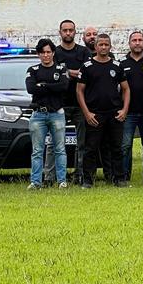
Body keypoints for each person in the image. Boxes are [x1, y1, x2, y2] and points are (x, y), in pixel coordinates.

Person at [77, 33, 130, 188]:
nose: (103, 47)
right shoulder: (87, 66)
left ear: (110, 46)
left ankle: (119, 179)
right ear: (95, 46)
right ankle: (88, 180)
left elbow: (126, 89)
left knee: (116, 148)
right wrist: (86, 113)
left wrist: (124, 110)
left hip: (114, 113)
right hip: (94, 114)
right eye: (101, 44)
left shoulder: (117, 66)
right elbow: (79, 91)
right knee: (91, 148)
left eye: (106, 44)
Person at [25, 38, 69, 190]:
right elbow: (31, 88)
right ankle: (36, 182)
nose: (46, 55)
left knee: (60, 149)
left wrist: (43, 85)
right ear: (38, 54)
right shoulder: (33, 70)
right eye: (43, 52)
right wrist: (52, 87)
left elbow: (64, 86)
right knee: (37, 151)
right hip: (38, 115)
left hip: (57, 113)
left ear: (53, 53)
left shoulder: (61, 69)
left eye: (48, 52)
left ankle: (62, 181)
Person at [53, 19, 90, 182]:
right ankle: (55, 176)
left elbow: (87, 72)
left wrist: (66, 71)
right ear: (60, 32)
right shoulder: (54, 52)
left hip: (80, 104)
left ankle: (79, 175)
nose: (68, 33)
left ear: (75, 32)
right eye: (65, 30)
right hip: (59, 104)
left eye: (71, 30)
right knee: (56, 143)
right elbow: (54, 73)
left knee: (82, 144)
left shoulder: (84, 52)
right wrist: (73, 72)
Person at [120, 31, 143, 184]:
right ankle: (124, 176)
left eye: (140, 40)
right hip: (128, 112)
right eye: (134, 40)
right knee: (125, 145)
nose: (137, 43)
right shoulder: (122, 63)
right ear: (129, 43)